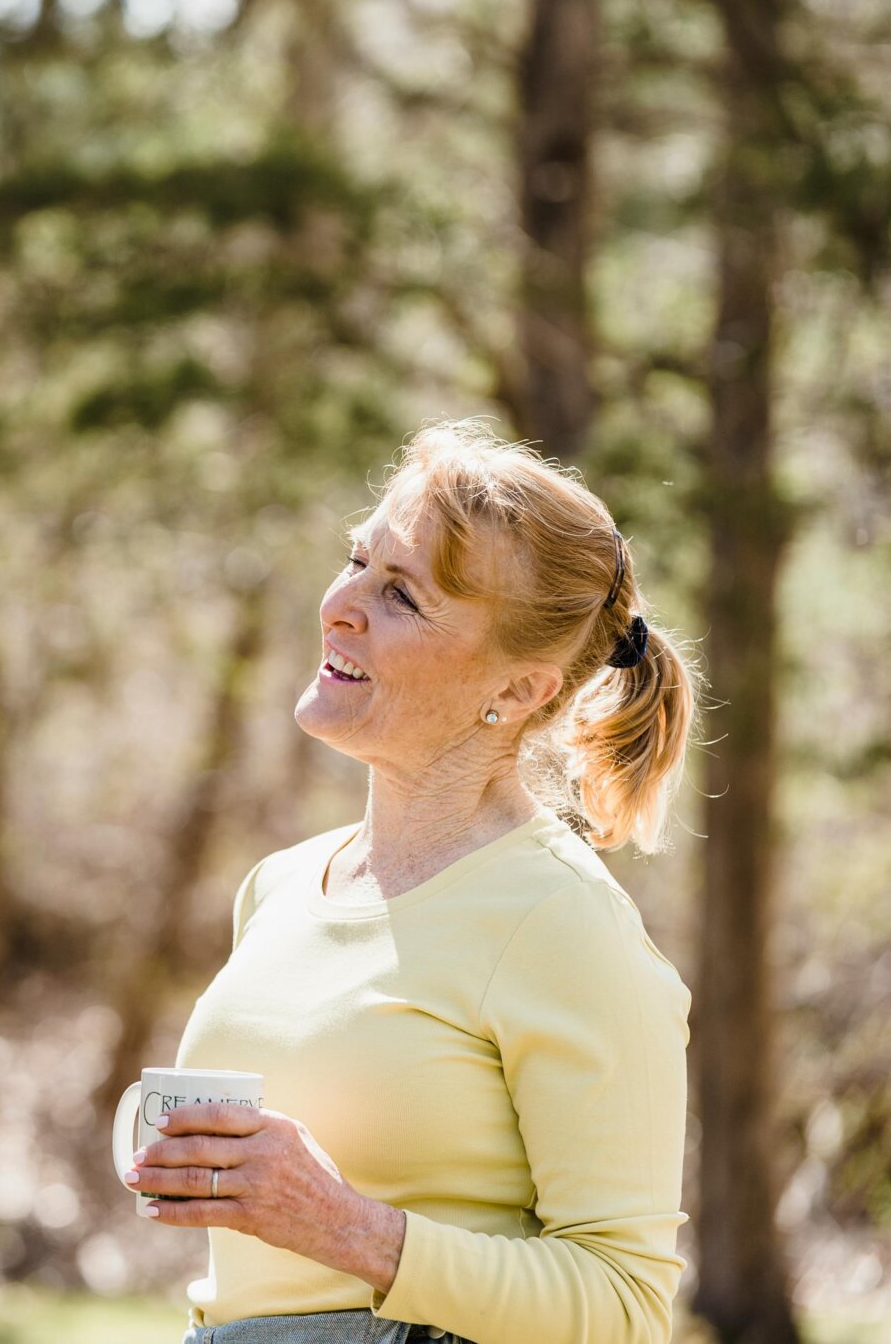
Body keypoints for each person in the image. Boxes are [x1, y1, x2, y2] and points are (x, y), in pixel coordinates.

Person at [123, 420, 696, 1344]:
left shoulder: (565, 922)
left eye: (401, 595)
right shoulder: (280, 885)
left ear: (519, 691)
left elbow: (626, 1308)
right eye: (356, 559)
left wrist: (350, 1227)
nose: (341, 606)